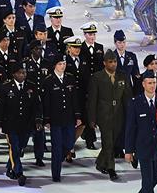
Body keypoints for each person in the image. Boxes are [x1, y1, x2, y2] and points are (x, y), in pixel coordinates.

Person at [124, 70, 157, 193]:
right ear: (143, 84)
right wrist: (128, 151)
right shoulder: (135, 103)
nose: (152, 86)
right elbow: (130, 128)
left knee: (155, 178)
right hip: (143, 148)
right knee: (148, 181)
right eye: (149, 83)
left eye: (154, 83)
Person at [87, 50, 132, 181]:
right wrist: (92, 118)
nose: (113, 64)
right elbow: (92, 100)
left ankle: (100, 163)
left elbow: (127, 97)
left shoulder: (122, 76)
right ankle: (111, 169)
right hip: (103, 115)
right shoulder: (97, 77)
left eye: (115, 61)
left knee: (112, 141)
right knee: (108, 141)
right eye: (110, 62)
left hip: (119, 114)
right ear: (104, 63)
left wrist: (130, 115)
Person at [41, 55, 82, 183]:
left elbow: (75, 98)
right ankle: (56, 173)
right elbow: (46, 102)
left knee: (69, 142)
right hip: (55, 119)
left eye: (64, 63)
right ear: (55, 65)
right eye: (60, 64)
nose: (62, 66)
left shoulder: (70, 78)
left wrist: (78, 116)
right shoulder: (48, 80)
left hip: (69, 117)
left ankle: (60, 158)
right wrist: (46, 119)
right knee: (56, 147)